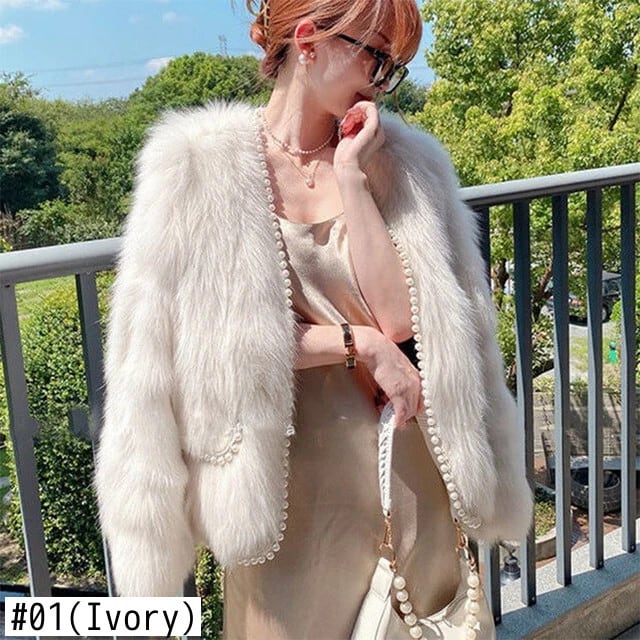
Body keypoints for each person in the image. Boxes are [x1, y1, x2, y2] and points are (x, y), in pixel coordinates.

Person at [94, 0, 533, 638]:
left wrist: (353, 178)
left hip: (404, 473)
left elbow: (400, 319)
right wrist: (358, 345)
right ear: (309, 40)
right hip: (283, 494)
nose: (382, 83)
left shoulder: (401, 164)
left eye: (394, 67)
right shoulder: (196, 169)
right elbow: (206, 344)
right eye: (376, 57)